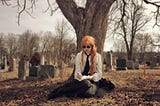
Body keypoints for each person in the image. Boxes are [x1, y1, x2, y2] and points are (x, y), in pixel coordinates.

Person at [48, 35, 115, 99]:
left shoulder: (97, 56)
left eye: (88, 47)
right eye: (84, 47)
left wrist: (90, 77)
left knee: (89, 93)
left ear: (92, 46)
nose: (86, 49)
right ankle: (61, 91)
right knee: (85, 84)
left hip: (93, 80)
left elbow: (99, 73)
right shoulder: (79, 56)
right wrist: (79, 75)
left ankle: (71, 93)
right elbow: (77, 70)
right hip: (81, 81)